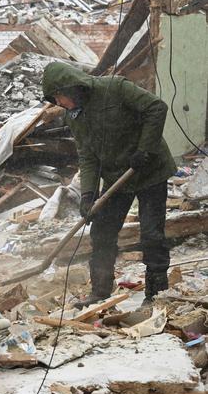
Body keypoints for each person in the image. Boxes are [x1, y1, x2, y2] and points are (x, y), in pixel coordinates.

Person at [42, 62, 177, 307]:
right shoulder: (75, 117)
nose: (59, 104)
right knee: (102, 231)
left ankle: (156, 293)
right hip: (117, 177)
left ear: (71, 88)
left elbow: (156, 108)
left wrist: (145, 149)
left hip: (150, 169)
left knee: (151, 234)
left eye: (59, 97)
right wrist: (88, 195)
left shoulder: (115, 87)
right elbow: (88, 155)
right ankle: (100, 292)